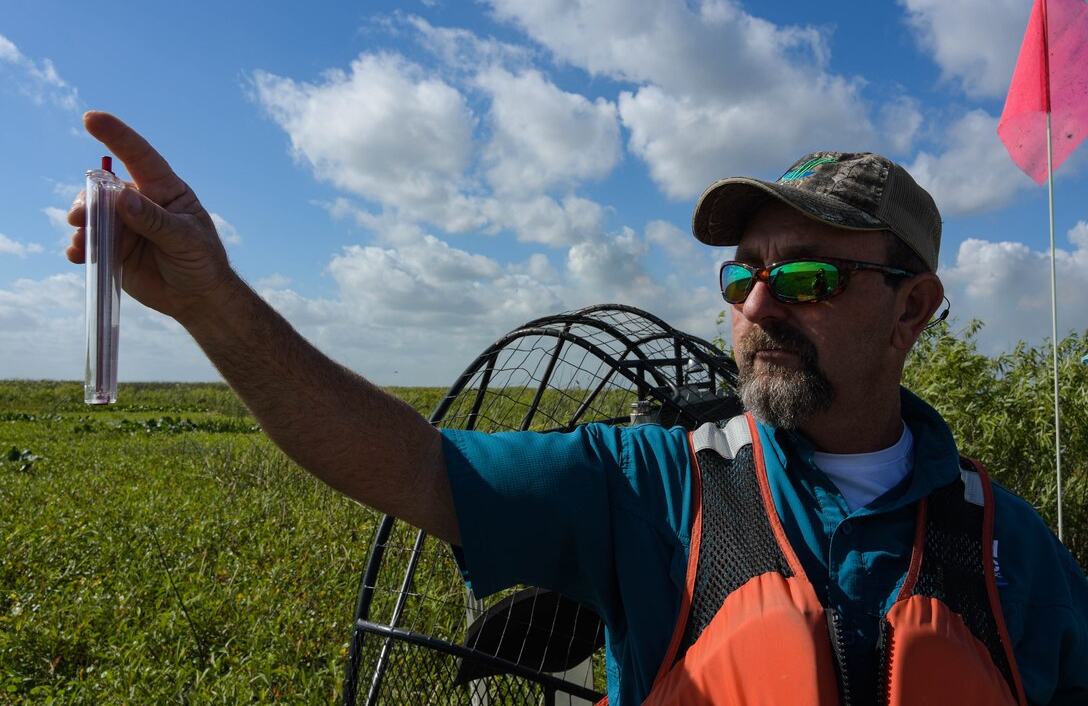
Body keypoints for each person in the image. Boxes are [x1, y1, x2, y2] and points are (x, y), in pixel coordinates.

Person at [67, 112, 1087, 705]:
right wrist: (212, 302)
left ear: (911, 307)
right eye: (743, 278)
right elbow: (410, 464)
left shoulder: (1015, 553)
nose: (760, 306)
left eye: (810, 277)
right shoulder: (650, 482)